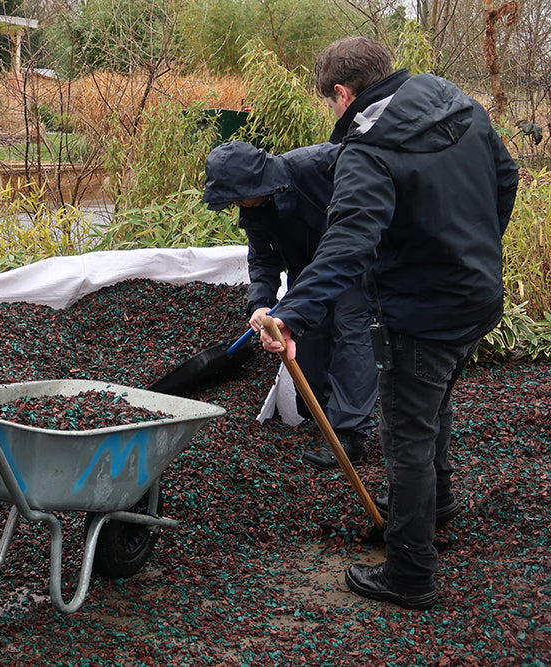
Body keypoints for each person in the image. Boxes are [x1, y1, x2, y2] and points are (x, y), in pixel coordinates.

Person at [261, 36, 518, 610]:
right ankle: (439, 505)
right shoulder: (459, 104)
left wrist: (292, 313)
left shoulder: (368, 151)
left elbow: (347, 245)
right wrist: (478, 250)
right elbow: (506, 176)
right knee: (436, 404)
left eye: (332, 103)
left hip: (422, 312)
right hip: (477, 297)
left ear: (343, 93)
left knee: (405, 436)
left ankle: (409, 570)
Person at [203, 140, 378, 469]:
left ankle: (350, 434)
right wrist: (261, 303)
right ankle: (324, 417)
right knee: (305, 334)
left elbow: (373, 182)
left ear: (259, 181)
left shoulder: (320, 165)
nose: (238, 203)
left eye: (239, 195)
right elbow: (262, 259)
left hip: (354, 262)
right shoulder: (254, 208)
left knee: (349, 328)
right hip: (308, 271)